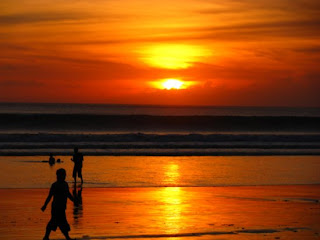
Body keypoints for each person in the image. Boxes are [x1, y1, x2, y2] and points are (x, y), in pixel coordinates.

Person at [41, 168, 75, 240]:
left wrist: (74, 200)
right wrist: (45, 205)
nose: (64, 176)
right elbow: (50, 196)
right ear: (58, 176)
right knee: (56, 221)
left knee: (61, 222)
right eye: (62, 175)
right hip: (56, 208)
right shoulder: (55, 185)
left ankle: (48, 237)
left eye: (64, 175)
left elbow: (68, 194)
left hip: (62, 207)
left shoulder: (65, 184)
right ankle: (47, 236)